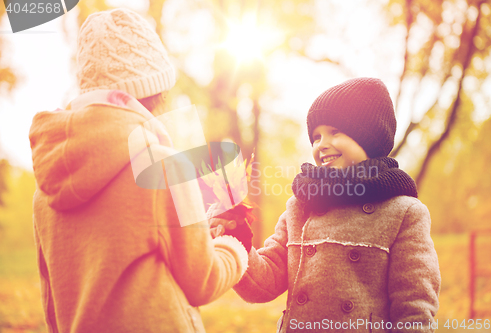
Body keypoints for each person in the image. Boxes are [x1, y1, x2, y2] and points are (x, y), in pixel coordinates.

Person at [29, 8, 248, 333]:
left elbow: (52, 308)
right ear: (155, 90)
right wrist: (233, 244)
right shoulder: (162, 165)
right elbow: (203, 281)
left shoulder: (44, 191)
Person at [211, 77, 441, 332]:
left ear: (369, 138)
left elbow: (415, 308)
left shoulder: (404, 212)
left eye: (335, 131)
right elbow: (264, 283)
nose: (321, 144)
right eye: (316, 136)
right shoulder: (300, 206)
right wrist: (237, 235)